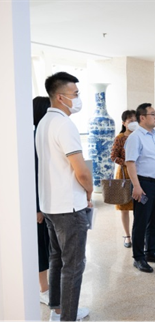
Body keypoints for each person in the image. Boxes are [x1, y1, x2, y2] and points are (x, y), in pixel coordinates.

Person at [36, 72, 92, 321]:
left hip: (49, 204)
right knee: (74, 265)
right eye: (75, 94)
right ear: (61, 97)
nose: (78, 99)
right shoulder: (65, 125)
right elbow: (81, 170)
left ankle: (57, 310)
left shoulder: (43, 124)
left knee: (57, 257)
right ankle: (68, 316)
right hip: (69, 207)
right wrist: (89, 190)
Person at [125, 103, 155, 273]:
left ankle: (151, 251)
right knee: (141, 221)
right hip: (144, 184)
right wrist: (136, 186)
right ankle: (138, 257)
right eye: (153, 114)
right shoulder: (135, 137)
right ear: (142, 117)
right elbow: (130, 163)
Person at [111, 110, 138, 248]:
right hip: (124, 175)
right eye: (130, 121)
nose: (133, 123)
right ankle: (127, 236)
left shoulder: (140, 136)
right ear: (124, 123)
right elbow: (113, 156)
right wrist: (126, 162)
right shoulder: (120, 137)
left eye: (135, 120)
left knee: (139, 206)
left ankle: (138, 235)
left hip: (140, 174)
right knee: (124, 207)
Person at [33, 96, 51, 306]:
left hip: (49, 202)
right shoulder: (34, 136)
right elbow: (34, 176)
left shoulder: (44, 134)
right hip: (40, 205)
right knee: (41, 247)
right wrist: (37, 207)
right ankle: (43, 289)